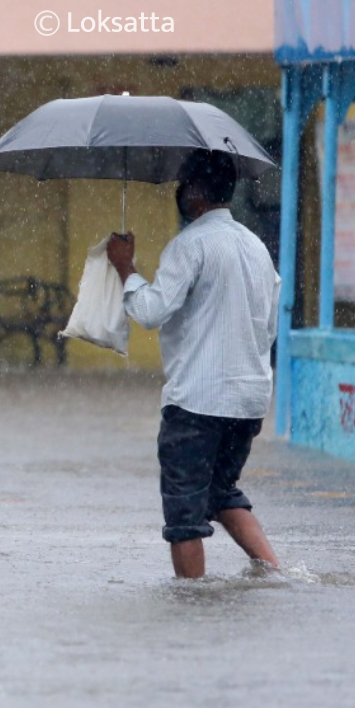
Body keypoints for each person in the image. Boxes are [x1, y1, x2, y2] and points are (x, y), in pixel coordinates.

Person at [106, 150, 281, 578]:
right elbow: (270, 327)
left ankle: (193, 604)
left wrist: (126, 268)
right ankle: (276, 573)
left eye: (183, 183)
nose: (179, 192)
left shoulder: (190, 246)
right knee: (221, 494)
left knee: (184, 511)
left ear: (196, 192)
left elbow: (151, 311)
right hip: (250, 400)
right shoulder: (256, 247)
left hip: (199, 401)